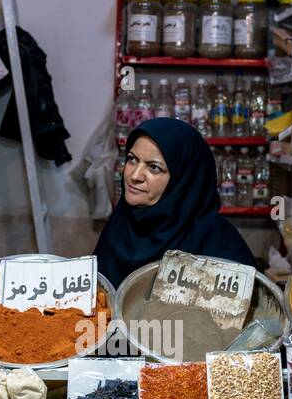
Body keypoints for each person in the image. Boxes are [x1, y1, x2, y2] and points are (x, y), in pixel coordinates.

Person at [94, 117, 256, 287]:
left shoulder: (215, 241)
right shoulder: (118, 225)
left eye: (154, 168)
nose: (134, 176)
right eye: (132, 159)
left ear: (184, 180)